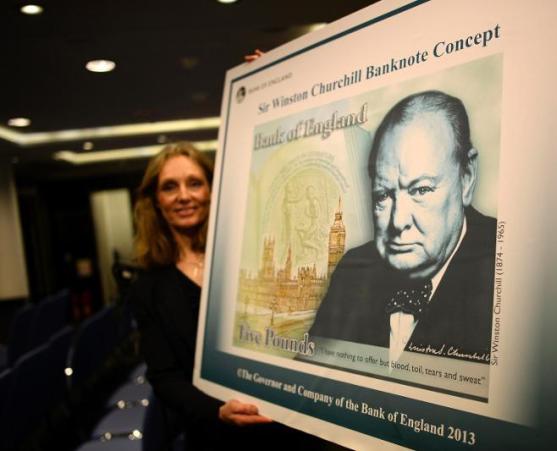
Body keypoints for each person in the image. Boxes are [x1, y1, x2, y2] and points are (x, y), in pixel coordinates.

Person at [129, 142, 344, 450]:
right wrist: (216, 411)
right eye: (170, 187)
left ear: (212, 191)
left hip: (285, 425)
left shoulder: (243, 255)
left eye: (194, 183)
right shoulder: (147, 287)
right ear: (156, 201)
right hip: (215, 434)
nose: (184, 196)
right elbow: (165, 378)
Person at [308, 90, 496, 365]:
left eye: (420, 190)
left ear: (466, 177)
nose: (397, 222)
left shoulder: (511, 269)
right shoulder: (352, 270)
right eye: (383, 195)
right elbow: (308, 382)